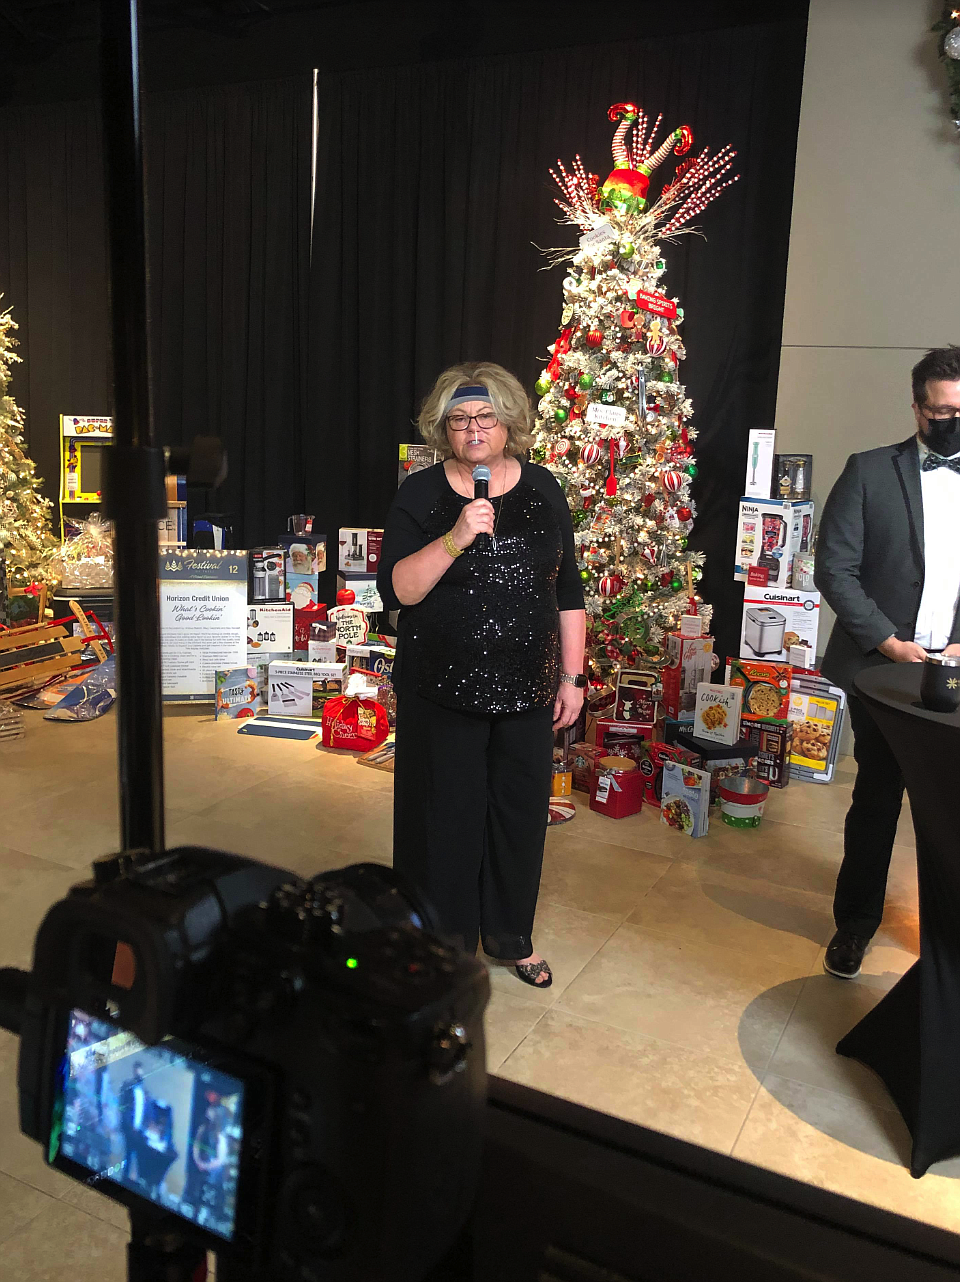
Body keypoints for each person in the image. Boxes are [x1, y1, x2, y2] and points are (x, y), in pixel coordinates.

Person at [378, 362, 587, 988]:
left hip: (527, 690)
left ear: (509, 423)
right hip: (440, 691)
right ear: (444, 427)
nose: (474, 429)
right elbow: (400, 591)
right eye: (461, 419)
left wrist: (572, 677)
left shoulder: (545, 489)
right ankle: (444, 946)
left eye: (486, 417)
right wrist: (456, 535)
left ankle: (510, 936)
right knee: (443, 823)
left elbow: (568, 592)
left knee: (519, 816)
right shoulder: (419, 495)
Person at [815, 345, 960, 979]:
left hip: (957, 666)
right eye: (939, 411)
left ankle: (946, 938)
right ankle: (855, 924)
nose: (950, 421)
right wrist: (888, 643)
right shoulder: (871, 471)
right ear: (917, 408)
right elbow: (835, 570)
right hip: (884, 665)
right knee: (877, 796)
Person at [118, 1060, 148, 1182]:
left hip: (137, 1129)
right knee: (128, 1153)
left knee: (134, 1154)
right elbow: (123, 1106)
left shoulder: (142, 1091)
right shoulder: (128, 1086)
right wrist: (129, 1125)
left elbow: (142, 1111)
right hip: (128, 1127)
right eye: (137, 1069)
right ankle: (125, 1177)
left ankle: (131, 1178)